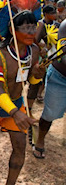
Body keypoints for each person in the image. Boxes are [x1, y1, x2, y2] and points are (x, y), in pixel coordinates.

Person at [0, 0, 44, 184]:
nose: (32, 31)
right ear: (13, 30)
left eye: (34, 26)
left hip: (16, 104)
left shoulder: (35, 51)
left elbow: (29, 80)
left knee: (20, 146)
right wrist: (15, 113)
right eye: (26, 27)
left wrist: (36, 75)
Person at [33, 19, 66, 159]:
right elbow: (64, 58)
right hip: (60, 78)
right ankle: (40, 139)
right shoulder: (65, 25)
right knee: (50, 114)